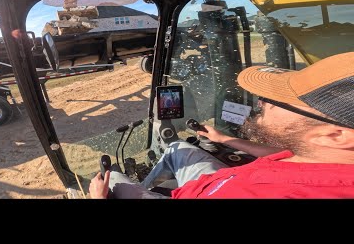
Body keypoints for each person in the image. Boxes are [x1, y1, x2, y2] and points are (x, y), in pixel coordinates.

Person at [89, 51, 354, 199]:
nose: (260, 103)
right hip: (214, 182)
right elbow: (280, 155)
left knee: (113, 181)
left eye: (276, 101)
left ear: (335, 134)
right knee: (176, 148)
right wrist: (223, 139)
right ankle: (145, 188)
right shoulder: (321, 155)